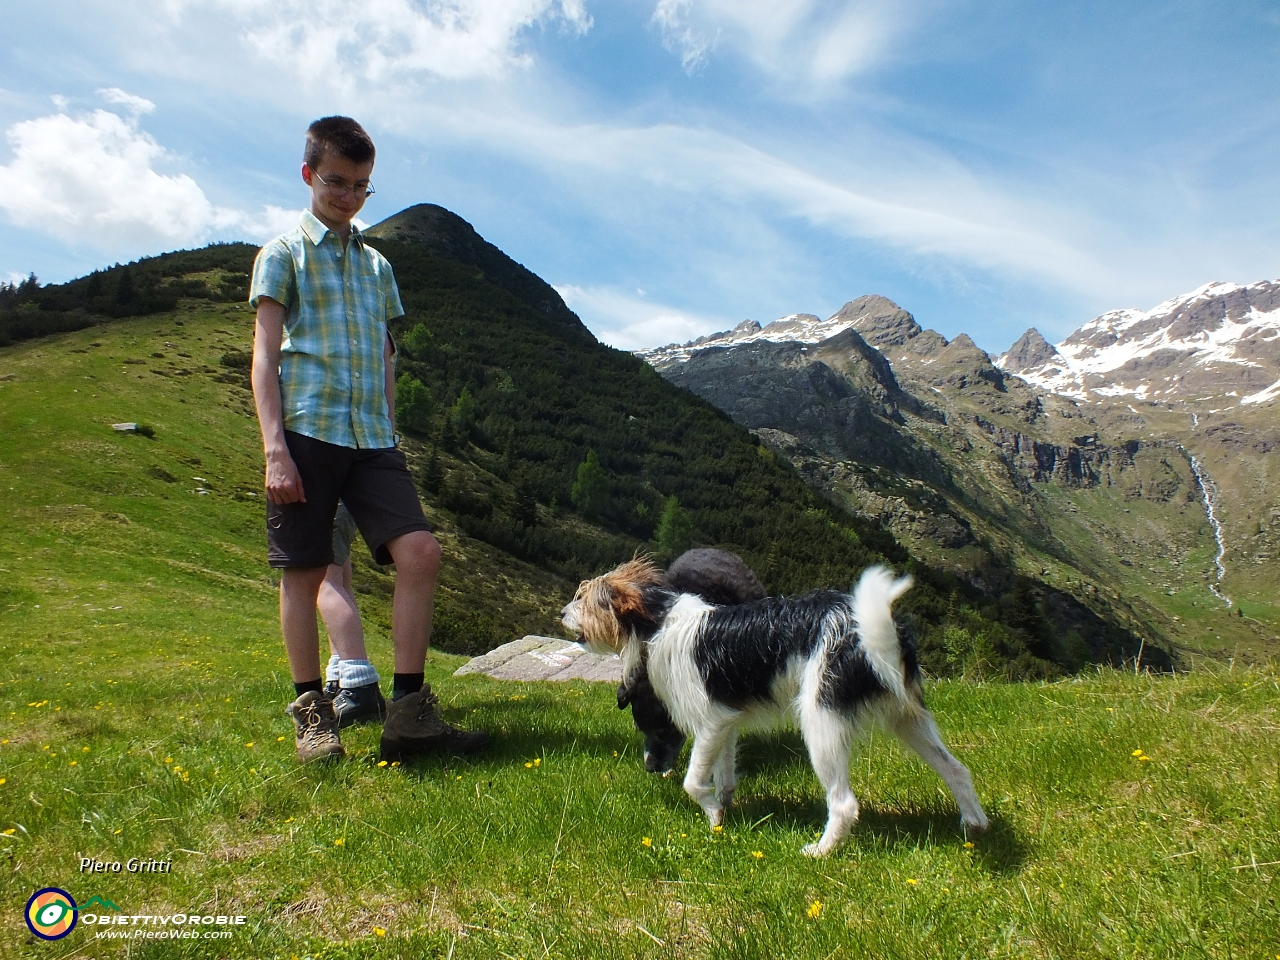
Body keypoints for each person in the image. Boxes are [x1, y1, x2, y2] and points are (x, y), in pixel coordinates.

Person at [249, 115, 490, 763]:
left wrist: (389, 432)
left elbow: (385, 356)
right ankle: (313, 717)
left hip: (372, 442)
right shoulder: (282, 255)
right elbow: (264, 356)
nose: (349, 196)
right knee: (303, 574)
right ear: (309, 175)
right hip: (305, 436)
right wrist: (275, 449)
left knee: (420, 554)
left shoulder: (378, 267)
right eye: (337, 182)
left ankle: (409, 717)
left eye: (361, 186)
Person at [319, 502, 385, 727]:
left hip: (327, 492)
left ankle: (358, 684)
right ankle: (340, 678)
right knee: (339, 581)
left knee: (325, 582)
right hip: (343, 496)